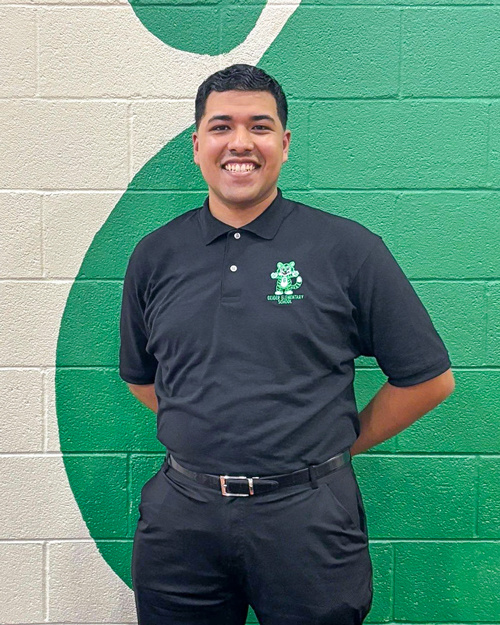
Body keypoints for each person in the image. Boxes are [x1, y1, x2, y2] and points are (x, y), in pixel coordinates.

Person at [119, 64, 455, 625]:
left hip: (310, 520)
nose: (241, 143)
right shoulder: (155, 255)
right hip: (182, 521)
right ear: (197, 143)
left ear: (285, 142)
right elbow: (141, 377)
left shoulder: (348, 249)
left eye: (261, 126)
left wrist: (334, 447)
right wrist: (215, 432)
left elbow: (427, 379)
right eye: (222, 126)